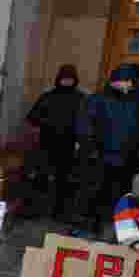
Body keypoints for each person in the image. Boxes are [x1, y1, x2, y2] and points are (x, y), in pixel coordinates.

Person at [70, 65, 138, 236]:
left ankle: (101, 227)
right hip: (97, 156)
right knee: (89, 192)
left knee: (110, 195)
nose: (131, 85)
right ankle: (81, 226)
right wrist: (90, 149)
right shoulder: (96, 99)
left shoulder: (130, 102)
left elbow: (132, 129)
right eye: (128, 81)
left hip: (120, 157)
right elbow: (85, 127)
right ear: (117, 81)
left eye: (131, 82)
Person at [21, 64, 86, 218]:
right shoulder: (48, 96)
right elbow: (32, 117)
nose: (67, 82)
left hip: (68, 144)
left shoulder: (81, 98)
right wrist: (46, 123)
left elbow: (86, 122)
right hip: (47, 142)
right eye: (64, 78)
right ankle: (35, 209)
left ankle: (59, 212)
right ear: (59, 79)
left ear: (75, 80)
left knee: (63, 180)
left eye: (70, 79)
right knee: (40, 178)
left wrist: (80, 139)